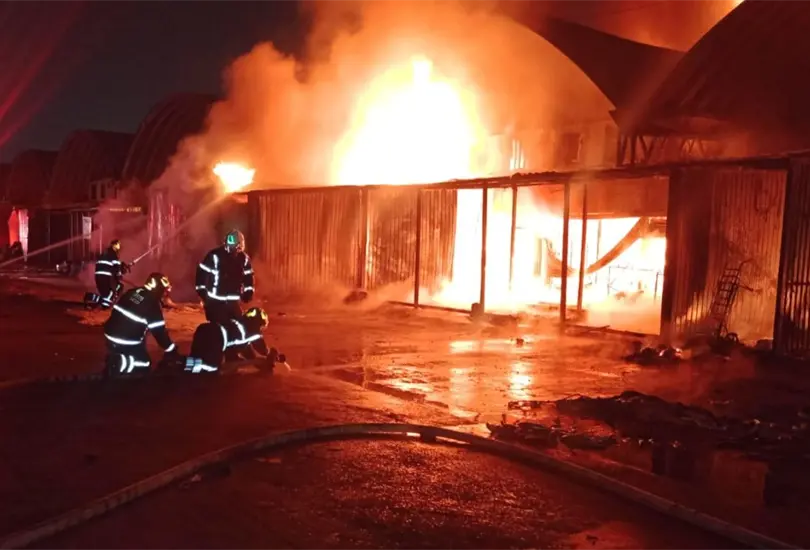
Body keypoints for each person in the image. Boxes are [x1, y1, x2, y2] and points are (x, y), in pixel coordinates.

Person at [103, 272, 178, 376]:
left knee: (140, 345)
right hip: (125, 340)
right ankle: (120, 362)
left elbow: (133, 307)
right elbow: (159, 332)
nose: (164, 295)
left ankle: (117, 356)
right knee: (144, 363)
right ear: (158, 288)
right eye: (164, 291)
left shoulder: (134, 292)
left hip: (109, 334)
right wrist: (171, 348)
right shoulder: (151, 302)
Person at [185, 306, 276, 374]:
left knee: (195, 359)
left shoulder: (239, 325)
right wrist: (269, 354)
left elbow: (246, 351)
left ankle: (185, 367)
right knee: (211, 368)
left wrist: (255, 362)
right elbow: (261, 349)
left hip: (204, 329)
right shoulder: (253, 331)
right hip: (216, 336)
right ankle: (185, 366)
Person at [195, 229, 255, 325]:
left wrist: (248, 292)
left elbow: (248, 276)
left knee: (238, 326)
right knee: (219, 327)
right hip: (215, 303)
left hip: (233, 303)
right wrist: (203, 293)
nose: (234, 251)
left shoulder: (243, 258)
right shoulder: (215, 256)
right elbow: (202, 274)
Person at [93, 239, 130, 308]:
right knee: (117, 288)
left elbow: (110, 266)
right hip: (106, 276)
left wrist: (121, 268)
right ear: (114, 245)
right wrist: (120, 273)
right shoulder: (113, 254)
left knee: (105, 293)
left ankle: (94, 299)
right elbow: (116, 268)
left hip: (98, 276)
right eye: (118, 244)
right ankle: (107, 304)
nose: (119, 246)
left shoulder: (105, 253)